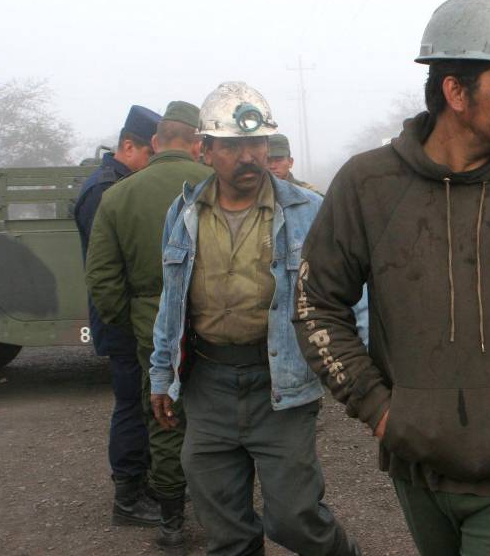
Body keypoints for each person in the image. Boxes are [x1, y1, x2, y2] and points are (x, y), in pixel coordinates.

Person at [292, 0, 490, 556]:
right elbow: (317, 303)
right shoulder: (368, 186)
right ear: (455, 92)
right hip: (417, 466)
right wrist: (382, 410)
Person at [149, 82, 364, 556]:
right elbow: (172, 301)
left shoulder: (309, 212)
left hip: (281, 387)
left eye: (256, 144)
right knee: (225, 531)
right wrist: (161, 375)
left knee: (294, 519)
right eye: (232, 145)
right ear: (206, 151)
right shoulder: (183, 213)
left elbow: (352, 295)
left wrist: (366, 375)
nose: (248, 157)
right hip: (208, 385)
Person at [85, 101, 211, 549]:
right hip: (218, 324)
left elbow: (101, 277)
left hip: (151, 329)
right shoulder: (216, 187)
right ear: (198, 143)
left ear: (155, 143)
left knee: (164, 418)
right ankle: (226, 512)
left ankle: (172, 522)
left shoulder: (117, 196)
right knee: (221, 418)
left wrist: (132, 318)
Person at [74, 105, 159, 527]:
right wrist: (126, 321)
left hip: (127, 318)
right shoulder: (104, 190)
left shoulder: (117, 184)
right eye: (150, 153)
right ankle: (128, 498)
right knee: (130, 405)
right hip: (120, 319)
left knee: (143, 404)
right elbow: (105, 269)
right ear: (129, 146)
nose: (153, 165)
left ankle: (143, 485)